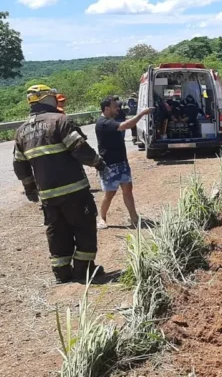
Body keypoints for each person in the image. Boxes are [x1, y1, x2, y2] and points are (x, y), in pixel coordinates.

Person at [12, 85, 107, 284]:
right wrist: (98, 163)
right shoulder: (60, 121)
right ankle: (84, 270)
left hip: (48, 197)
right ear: (48, 99)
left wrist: (30, 189)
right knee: (84, 228)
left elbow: (20, 165)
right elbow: (79, 148)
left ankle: (62, 273)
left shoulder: (21, 132)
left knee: (58, 232)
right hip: (74, 191)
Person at [96, 96, 153, 228]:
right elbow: (127, 125)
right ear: (106, 108)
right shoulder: (103, 123)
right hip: (109, 165)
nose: (118, 109)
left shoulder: (111, 120)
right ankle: (102, 218)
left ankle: (134, 218)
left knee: (128, 190)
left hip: (122, 162)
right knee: (110, 193)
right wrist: (142, 113)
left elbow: (125, 122)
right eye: (115, 107)